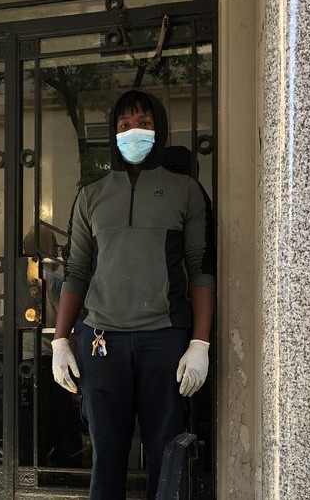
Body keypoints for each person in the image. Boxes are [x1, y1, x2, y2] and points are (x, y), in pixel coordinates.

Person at [50, 89, 215, 500]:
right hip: (102, 340)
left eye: (143, 122)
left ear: (158, 130)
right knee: (106, 454)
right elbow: (76, 271)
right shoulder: (91, 196)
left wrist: (199, 342)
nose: (134, 132)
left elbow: (201, 269)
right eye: (124, 125)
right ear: (113, 133)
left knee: (166, 453)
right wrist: (59, 340)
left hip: (165, 339)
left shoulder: (186, 191)